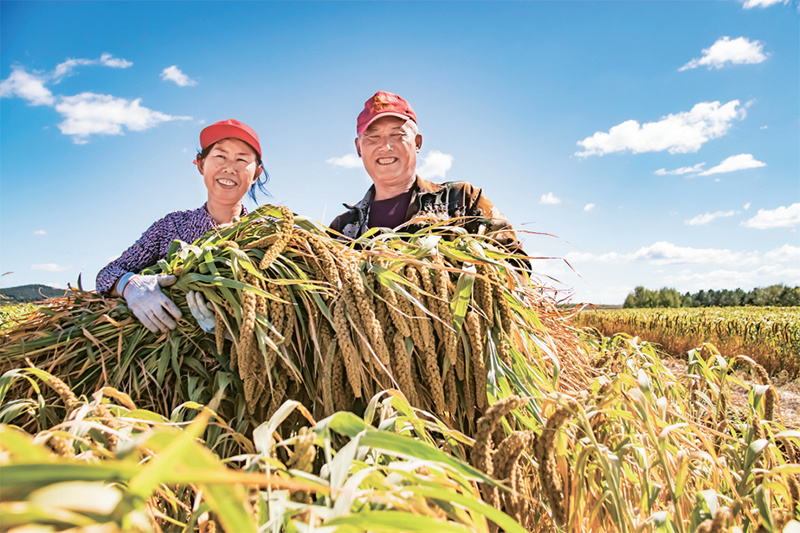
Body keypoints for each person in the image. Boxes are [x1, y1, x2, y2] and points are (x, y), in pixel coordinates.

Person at [96, 119, 267, 334]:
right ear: (201, 164)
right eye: (220, 156)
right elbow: (107, 274)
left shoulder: (266, 236)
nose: (230, 168)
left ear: (256, 174)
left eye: (241, 160)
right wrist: (131, 286)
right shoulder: (172, 227)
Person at [329, 91, 526, 259]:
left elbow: (516, 266)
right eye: (373, 137)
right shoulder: (341, 229)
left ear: (417, 143)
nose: (385, 146)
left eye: (397, 134)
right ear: (358, 148)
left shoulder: (463, 201)